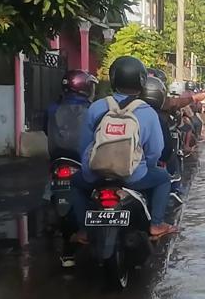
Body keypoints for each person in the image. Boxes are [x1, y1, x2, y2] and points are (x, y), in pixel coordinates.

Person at [70, 56, 179, 241]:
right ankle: (157, 224)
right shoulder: (147, 112)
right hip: (133, 176)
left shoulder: (97, 107)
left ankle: (83, 230)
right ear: (142, 82)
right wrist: (146, 165)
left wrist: (90, 167)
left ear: (113, 79)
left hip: (96, 175)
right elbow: (156, 150)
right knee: (163, 179)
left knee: (75, 181)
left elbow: (84, 145)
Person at [44, 70, 96, 160]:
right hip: (82, 158)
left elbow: (46, 129)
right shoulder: (91, 109)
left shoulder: (52, 108)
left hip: (56, 157)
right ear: (83, 87)